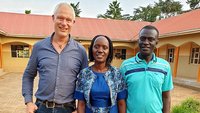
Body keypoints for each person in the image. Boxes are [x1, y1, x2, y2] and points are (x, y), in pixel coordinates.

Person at [22, 3, 88, 113]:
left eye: (68, 20)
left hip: (68, 109)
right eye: (60, 18)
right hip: (41, 108)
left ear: (73, 22)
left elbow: (86, 83)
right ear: (53, 18)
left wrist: (80, 108)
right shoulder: (39, 47)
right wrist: (28, 102)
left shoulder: (80, 51)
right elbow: (28, 75)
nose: (64, 23)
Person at [120, 25, 173, 113]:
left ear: (156, 42)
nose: (146, 42)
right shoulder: (126, 66)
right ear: (138, 41)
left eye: (151, 39)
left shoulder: (165, 66)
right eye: (143, 38)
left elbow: (166, 97)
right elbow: (121, 97)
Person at [74, 35, 127, 113]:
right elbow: (81, 104)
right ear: (91, 49)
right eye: (96, 47)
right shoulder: (84, 74)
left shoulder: (116, 73)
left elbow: (121, 103)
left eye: (105, 47)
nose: (100, 50)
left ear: (109, 51)